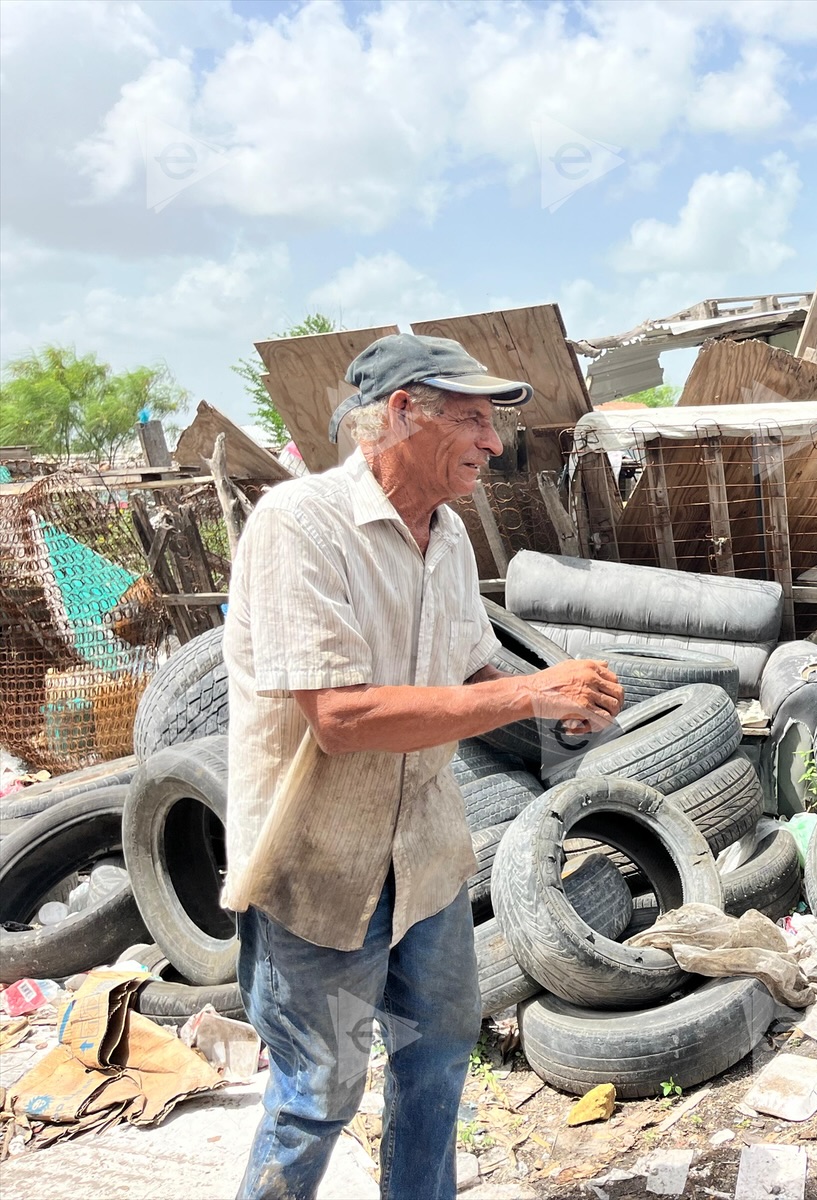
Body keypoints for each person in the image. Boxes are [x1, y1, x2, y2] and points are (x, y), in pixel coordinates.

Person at [221, 333, 624, 1200]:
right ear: (402, 413)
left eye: (492, 423)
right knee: (318, 1094)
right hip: (318, 869)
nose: (494, 441)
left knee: (437, 1059)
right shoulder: (301, 525)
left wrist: (559, 703)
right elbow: (342, 717)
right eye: (474, 419)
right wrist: (529, 699)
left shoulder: (447, 538)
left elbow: (474, 669)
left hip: (426, 862)